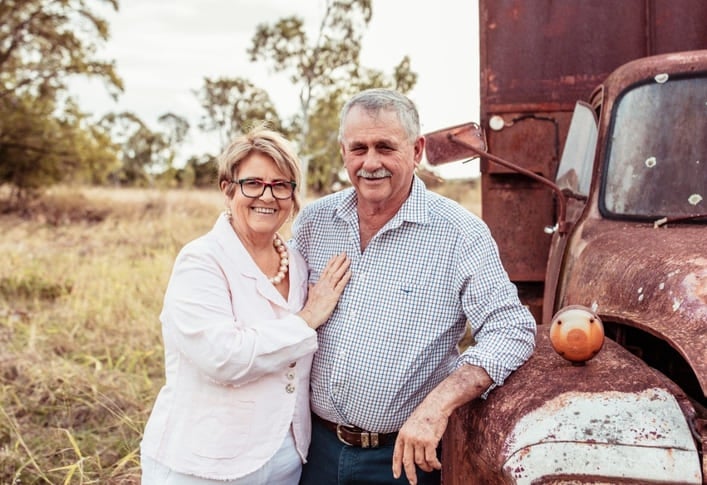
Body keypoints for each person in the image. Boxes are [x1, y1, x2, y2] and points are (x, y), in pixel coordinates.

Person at [292, 89, 537, 485]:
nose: (370, 163)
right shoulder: (314, 224)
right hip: (312, 450)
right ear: (343, 152)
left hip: (401, 459)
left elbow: (511, 329)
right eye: (359, 148)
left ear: (417, 149)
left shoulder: (460, 233)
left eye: (386, 147)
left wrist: (437, 406)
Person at [140, 125, 351, 484]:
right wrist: (307, 319)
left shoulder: (297, 263)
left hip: (285, 457)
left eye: (281, 185)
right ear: (228, 189)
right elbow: (224, 358)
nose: (267, 196)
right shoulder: (202, 260)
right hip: (205, 463)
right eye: (253, 183)